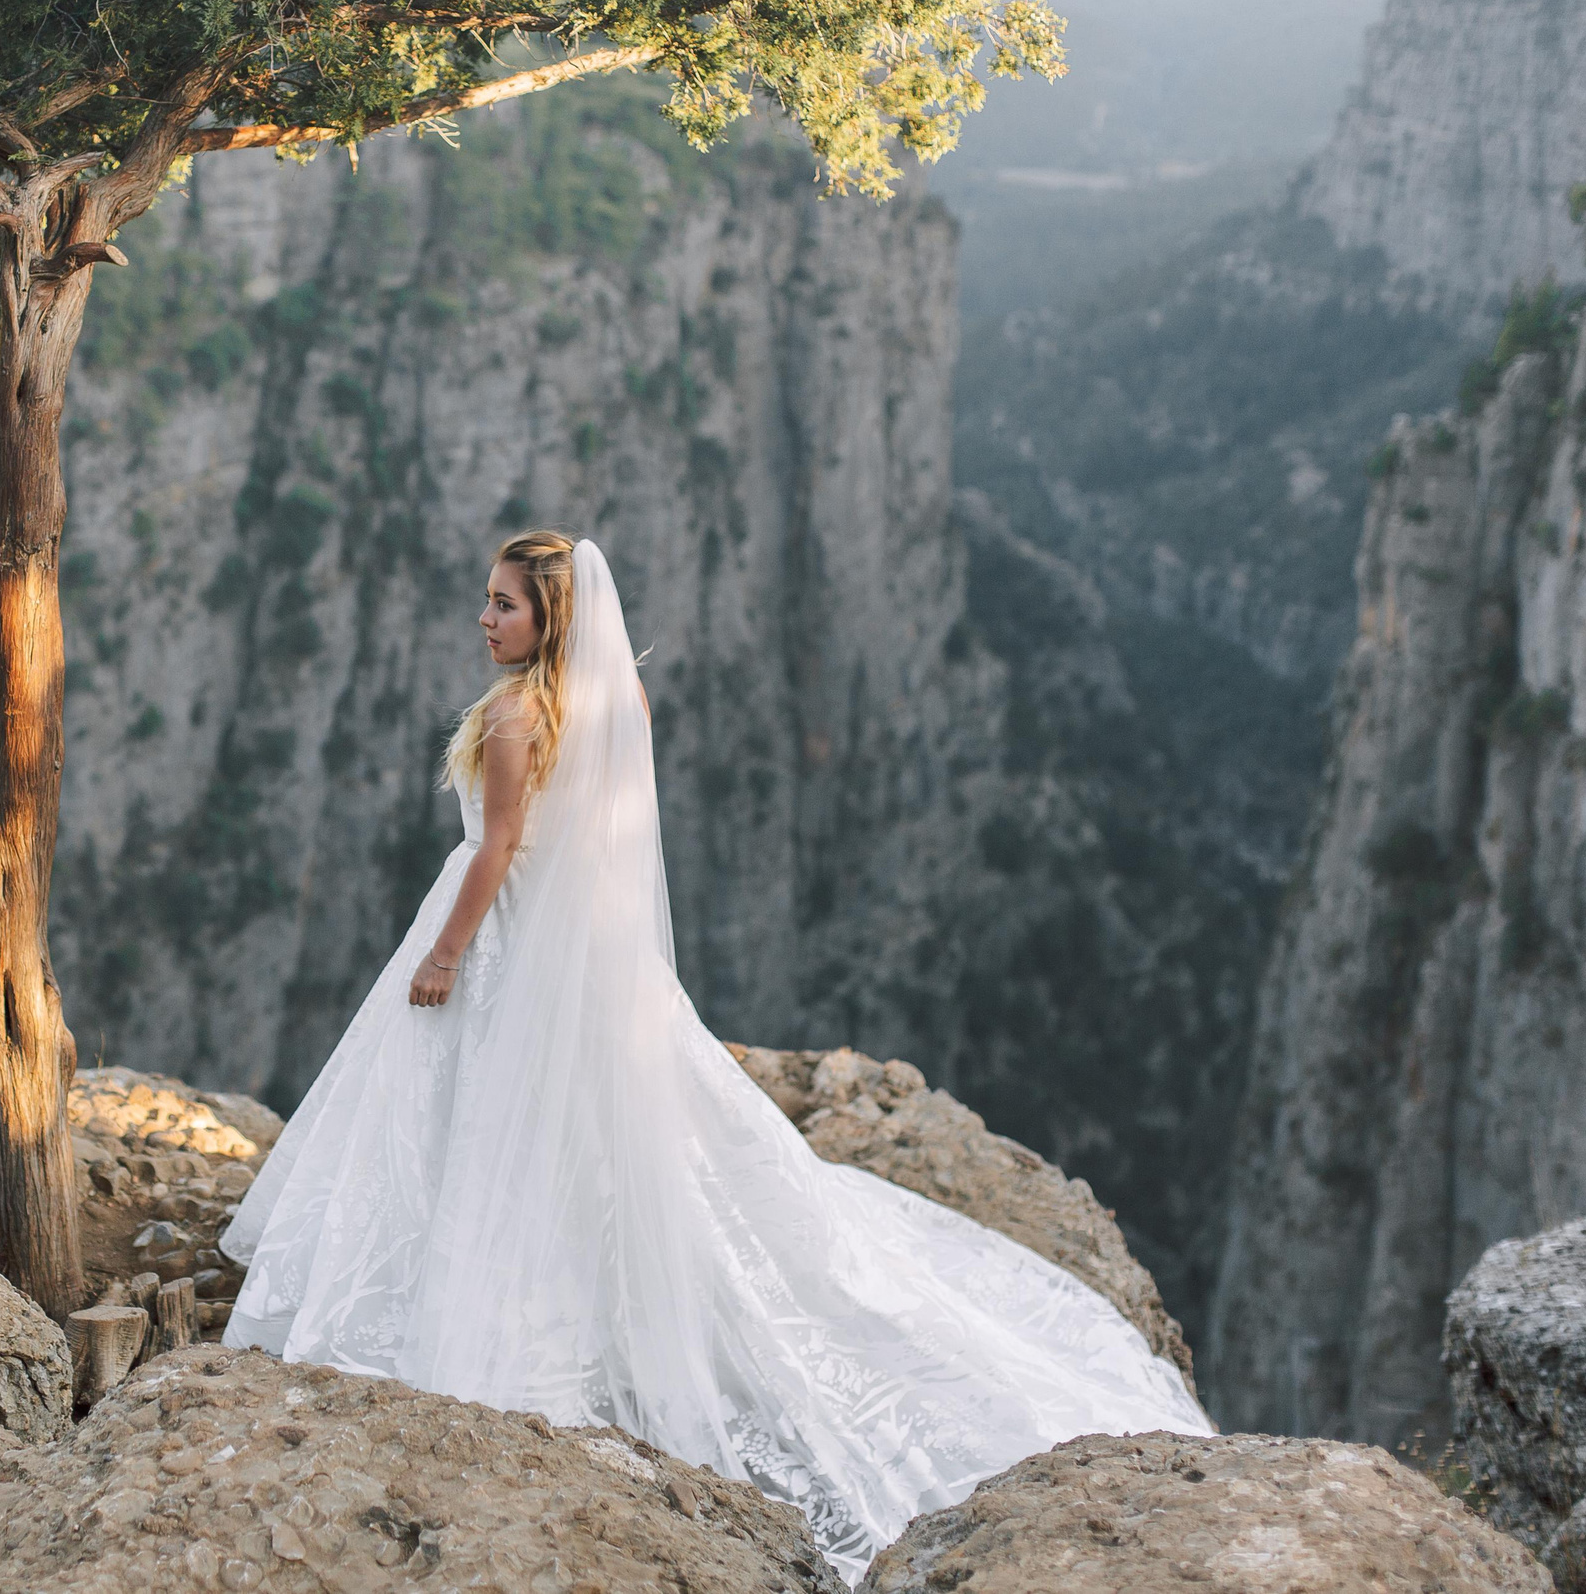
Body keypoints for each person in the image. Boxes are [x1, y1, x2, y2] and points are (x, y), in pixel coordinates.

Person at [221, 530, 1211, 1577]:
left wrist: (444, 955)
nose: (484, 619)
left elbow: (499, 848)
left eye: (503, 604)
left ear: (547, 618)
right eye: (486, 601)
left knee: (476, 1122)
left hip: (508, 938)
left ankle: (497, 1294)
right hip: (589, 954)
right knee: (578, 1129)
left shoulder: (514, 715)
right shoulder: (616, 703)